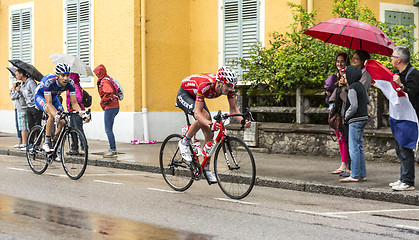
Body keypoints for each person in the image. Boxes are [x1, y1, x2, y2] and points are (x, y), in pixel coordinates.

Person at [176, 66, 252, 183]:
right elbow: (197, 113)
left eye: (232, 86)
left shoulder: (229, 89)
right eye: (228, 85)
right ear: (220, 83)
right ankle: (184, 142)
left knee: (209, 133)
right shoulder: (206, 85)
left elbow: (234, 109)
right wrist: (209, 123)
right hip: (185, 94)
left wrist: (242, 121)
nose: (230, 88)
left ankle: (205, 168)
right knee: (205, 117)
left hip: (197, 96)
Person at [34, 63, 89, 152]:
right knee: (52, 114)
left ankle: (54, 142)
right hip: (40, 96)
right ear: (57, 76)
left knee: (62, 121)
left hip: (53, 96)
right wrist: (56, 115)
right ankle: (46, 142)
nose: (65, 78)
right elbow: (49, 104)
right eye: (62, 75)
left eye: (67, 75)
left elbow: (74, 103)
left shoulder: (70, 83)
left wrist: (83, 115)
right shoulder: (49, 81)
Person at [391, 46, 418, 191]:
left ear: (399, 59)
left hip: (410, 117)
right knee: (399, 147)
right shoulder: (397, 73)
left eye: (393, 57)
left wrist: (400, 84)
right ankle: (403, 177)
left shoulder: (413, 74)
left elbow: (412, 95)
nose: (392, 59)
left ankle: (408, 181)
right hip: (400, 115)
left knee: (405, 147)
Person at [340, 65, 369, 183]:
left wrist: (346, 115)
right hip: (363, 118)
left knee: (353, 148)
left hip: (355, 120)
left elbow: (354, 106)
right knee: (359, 147)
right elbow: (367, 100)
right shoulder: (361, 86)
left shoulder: (352, 88)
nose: (344, 77)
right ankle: (362, 174)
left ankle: (355, 174)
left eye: (346, 75)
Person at [325, 53, 349, 174]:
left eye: (342, 61)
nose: (339, 64)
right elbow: (328, 92)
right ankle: (344, 163)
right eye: (338, 61)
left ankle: (345, 164)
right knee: (339, 137)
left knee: (343, 138)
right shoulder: (334, 77)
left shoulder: (348, 77)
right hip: (335, 110)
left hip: (344, 111)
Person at [93, 64, 119, 158]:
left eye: (97, 74)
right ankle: (112, 148)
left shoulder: (104, 81)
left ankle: (113, 150)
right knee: (109, 129)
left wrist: (102, 101)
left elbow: (109, 92)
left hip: (111, 107)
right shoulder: (107, 78)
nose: (96, 75)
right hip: (114, 106)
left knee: (108, 129)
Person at [66, 73, 86, 154]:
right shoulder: (72, 86)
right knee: (73, 130)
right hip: (72, 111)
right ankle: (74, 148)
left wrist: (72, 101)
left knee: (78, 130)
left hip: (76, 111)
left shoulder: (75, 86)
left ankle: (83, 147)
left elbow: (78, 98)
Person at [10, 80, 28, 150]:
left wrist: (16, 90)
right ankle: (20, 141)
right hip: (17, 107)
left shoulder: (21, 89)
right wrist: (13, 89)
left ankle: (23, 142)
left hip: (22, 108)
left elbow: (13, 97)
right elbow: (12, 95)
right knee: (19, 126)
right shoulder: (17, 89)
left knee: (23, 126)